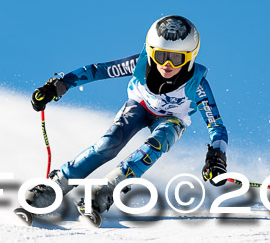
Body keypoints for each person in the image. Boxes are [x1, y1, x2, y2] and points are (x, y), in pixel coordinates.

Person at [27, 15, 228, 217]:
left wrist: (217, 156)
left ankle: (105, 191)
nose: (167, 64)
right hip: (140, 105)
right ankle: (56, 185)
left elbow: (216, 127)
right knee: (109, 143)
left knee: (156, 144)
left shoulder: (197, 85)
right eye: (160, 56)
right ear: (150, 53)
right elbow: (98, 71)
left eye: (177, 58)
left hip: (173, 118)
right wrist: (58, 86)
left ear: (191, 57)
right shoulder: (139, 65)